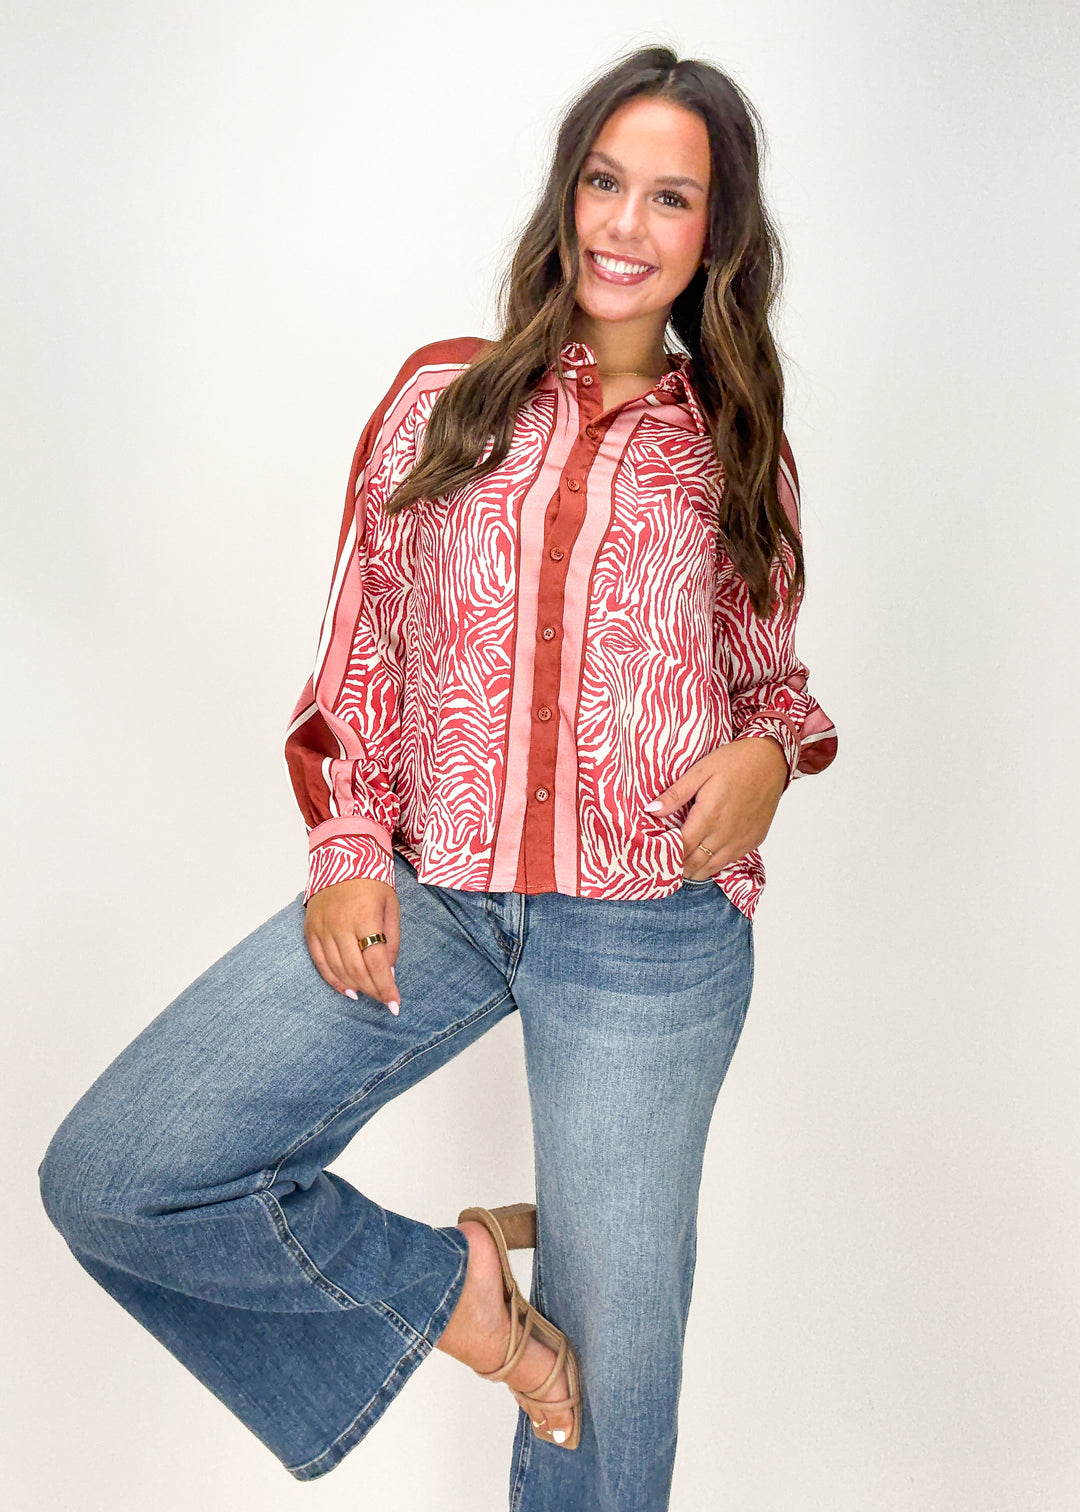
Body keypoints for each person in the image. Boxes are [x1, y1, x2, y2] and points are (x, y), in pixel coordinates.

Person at [38, 43, 838, 1512]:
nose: (623, 223)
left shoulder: (736, 446)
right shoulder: (442, 398)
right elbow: (360, 643)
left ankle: (599, 1256)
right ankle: (474, 1299)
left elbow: (772, 684)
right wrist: (347, 841)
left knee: (618, 1392)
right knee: (121, 1173)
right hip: (438, 891)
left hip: (651, 925)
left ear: (713, 238)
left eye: (669, 197)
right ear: (566, 194)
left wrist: (770, 759)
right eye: (605, 181)